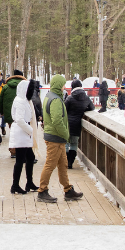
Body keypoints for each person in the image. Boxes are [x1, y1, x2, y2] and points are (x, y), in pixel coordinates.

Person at [36, 74, 83, 203]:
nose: (65, 87)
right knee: (50, 164)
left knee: (63, 164)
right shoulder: (55, 99)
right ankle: (42, 190)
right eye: (63, 84)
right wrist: (65, 134)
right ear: (58, 85)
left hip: (56, 137)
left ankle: (68, 190)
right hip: (55, 137)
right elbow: (57, 120)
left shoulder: (49, 96)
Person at [9, 79, 38, 194]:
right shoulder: (20, 101)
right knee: (20, 160)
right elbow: (19, 119)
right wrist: (30, 130)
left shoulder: (22, 99)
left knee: (29, 158)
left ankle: (29, 182)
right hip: (22, 132)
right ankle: (15, 185)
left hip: (24, 132)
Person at [64, 79, 94, 169]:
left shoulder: (70, 97)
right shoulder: (86, 98)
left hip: (68, 123)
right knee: (74, 144)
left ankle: (65, 161)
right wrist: (83, 110)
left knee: (66, 143)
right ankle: (70, 162)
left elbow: (64, 109)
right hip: (77, 123)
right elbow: (92, 107)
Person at [0, 70, 25, 157]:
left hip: (10, 114)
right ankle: (22, 151)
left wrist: (2, 112)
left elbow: (0, 100)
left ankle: (13, 151)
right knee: (23, 132)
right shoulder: (25, 86)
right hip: (23, 114)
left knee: (13, 132)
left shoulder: (6, 87)